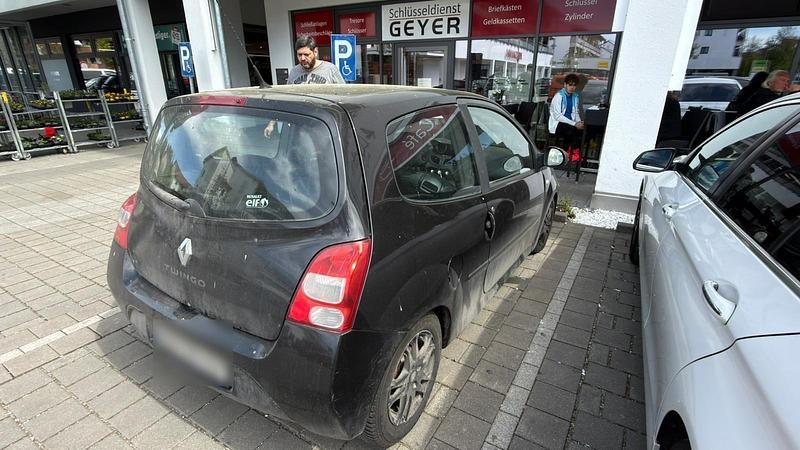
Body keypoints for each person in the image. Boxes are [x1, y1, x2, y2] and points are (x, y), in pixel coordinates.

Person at [549, 73, 584, 158]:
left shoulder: (575, 97)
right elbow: (558, 116)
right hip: (558, 124)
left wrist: (579, 122)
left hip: (569, 123)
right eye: (570, 85)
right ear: (565, 85)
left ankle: (571, 152)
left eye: (574, 85)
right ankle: (567, 153)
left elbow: (575, 112)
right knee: (572, 130)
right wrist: (574, 124)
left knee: (585, 130)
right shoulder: (559, 96)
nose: (572, 87)